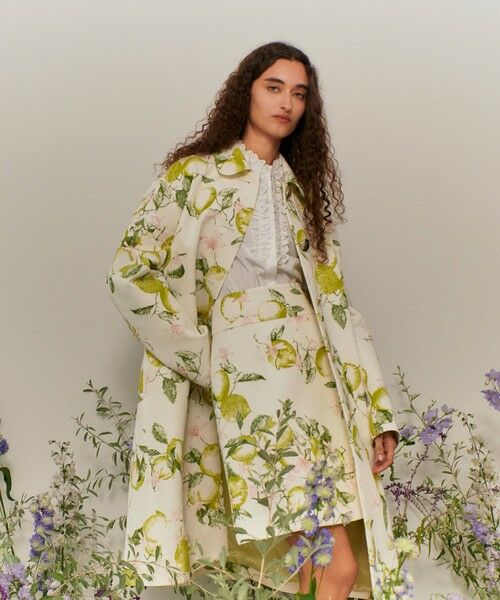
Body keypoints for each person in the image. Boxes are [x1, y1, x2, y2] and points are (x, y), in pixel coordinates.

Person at [106, 41, 401, 600]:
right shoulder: (194, 177)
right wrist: (201, 357)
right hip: (244, 384)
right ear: (246, 91)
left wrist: (376, 412)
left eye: (299, 94)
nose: (287, 102)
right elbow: (129, 273)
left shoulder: (300, 194)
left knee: (327, 568)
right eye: (274, 87)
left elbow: (338, 308)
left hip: (314, 385)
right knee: (315, 565)